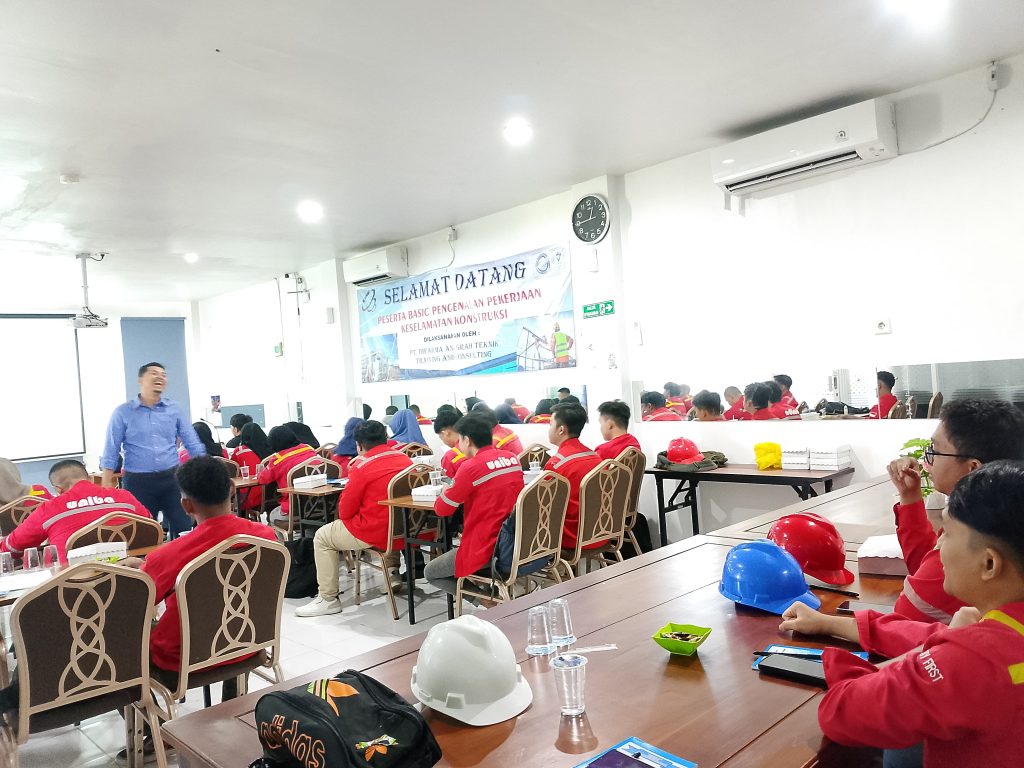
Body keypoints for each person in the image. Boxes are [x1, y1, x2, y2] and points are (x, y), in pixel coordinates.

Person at [816, 460, 1024, 767]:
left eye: (947, 533)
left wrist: (937, 650)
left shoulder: (971, 661)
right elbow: (950, 641)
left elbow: (840, 711)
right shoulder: (1000, 635)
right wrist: (830, 624)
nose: (938, 543)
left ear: (989, 563)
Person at [781, 399, 1024, 657]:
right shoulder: (996, 519)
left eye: (935, 450)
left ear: (972, 469)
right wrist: (910, 498)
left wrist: (830, 627)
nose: (927, 460)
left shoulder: (973, 539)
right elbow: (928, 567)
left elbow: (906, 621)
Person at [128, 458, 276, 731]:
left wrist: (140, 569)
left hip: (183, 660)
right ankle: (232, 708)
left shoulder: (168, 556)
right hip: (248, 643)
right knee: (229, 609)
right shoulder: (266, 537)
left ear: (186, 505)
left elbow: (136, 606)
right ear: (232, 488)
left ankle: (155, 734)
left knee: (123, 650)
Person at [296, 421, 413, 617]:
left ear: (358, 445)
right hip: (405, 529)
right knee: (390, 516)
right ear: (385, 438)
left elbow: (345, 512)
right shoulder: (405, 459)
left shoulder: (362, 466)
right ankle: (392, 573)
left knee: (322, 536)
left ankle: (328, 599)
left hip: (374, 532)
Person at [100, 362, 206, 537]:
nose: (160, 377)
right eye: (154, 373)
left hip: (173, 478)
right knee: (142, 534)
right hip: (138, 482)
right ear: (141, 379)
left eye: (163, 375)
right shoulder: (123, 412)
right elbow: (111, 449)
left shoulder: (174, 410)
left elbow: (192, 443)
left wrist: (206, 472)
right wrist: (105, 486)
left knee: (184, 529)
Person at [425, 414, 524, 599]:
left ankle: (483, 600)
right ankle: (491, 593)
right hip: (516, 540)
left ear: (467, 440)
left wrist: (447, 489)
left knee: (431, 572)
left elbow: (442, 509)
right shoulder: (512, 459)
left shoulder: (469, 467)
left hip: (486, 547)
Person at [0, 459, 152, 563]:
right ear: (90, 479)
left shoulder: (50, 508)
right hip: (131, 582)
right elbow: (151, 527)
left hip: (72, 589)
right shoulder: (124, 496)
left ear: (58, 489)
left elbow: (11, 547)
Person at [545, 403, 603, 550]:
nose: (549, 429)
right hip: (601, 532)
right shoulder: (596, 457)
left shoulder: (556, 464)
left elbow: (544, 505)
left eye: (550, 424)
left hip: (571, 537)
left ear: (561, 430)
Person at [258, 425, 321, 523]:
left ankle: (285, 533)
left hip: (294, 509)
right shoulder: (309, 449)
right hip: (318, 506)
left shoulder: (278, 460)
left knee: (272, 516)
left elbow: (263, 479)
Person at [230, 422, 270, 513]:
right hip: (270, 497)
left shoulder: (240, 451)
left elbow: (233, 471)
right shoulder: (270, 450)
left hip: (249, 497)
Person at [434, 409, 468, 478]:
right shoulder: (476, 443)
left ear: (445, 433)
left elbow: (449, 483)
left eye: (441, 437)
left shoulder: (450, 457)